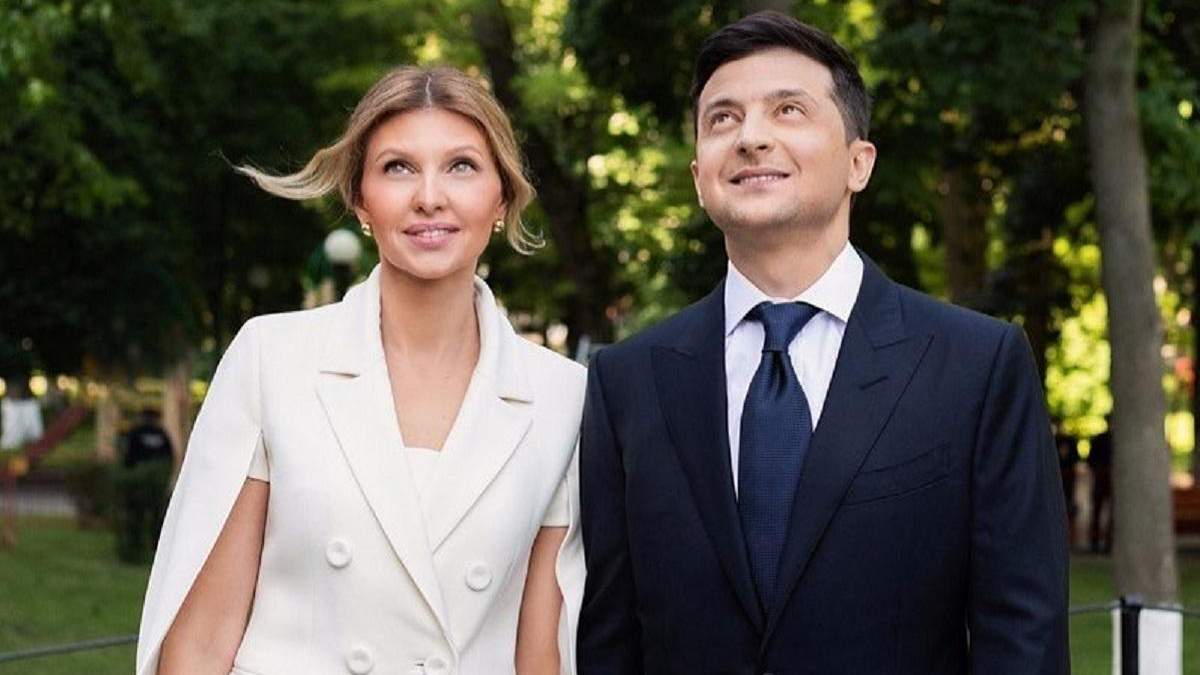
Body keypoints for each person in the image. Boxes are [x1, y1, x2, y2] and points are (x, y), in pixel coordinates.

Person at [577, 11, 1069, 674]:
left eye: (788, 110)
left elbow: (1024, 637)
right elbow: (610, 641)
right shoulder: (626, 382)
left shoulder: (976, 366)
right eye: (723, 118)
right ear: (698, 177)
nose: (751, 137)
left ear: (858, 163)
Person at [137, 65, 586, 675]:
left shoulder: (563, 395)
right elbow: (199, 643)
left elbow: (541, 657)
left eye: (461, 166)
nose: (430, 196)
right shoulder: (272, 360)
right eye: (398, 167)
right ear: (360, 200)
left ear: (501, 198)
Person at [116, 408, 175, 563]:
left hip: (138, 481)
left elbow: (128, 457)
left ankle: (136, 547)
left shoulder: (136, 433)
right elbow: (169, 457)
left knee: (136, 516)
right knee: (156, 517)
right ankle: (156, 547)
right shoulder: (161, 434)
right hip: (155, 482)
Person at [1088, 425, 1113, 554]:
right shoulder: (1102, 439)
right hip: (1101, 478)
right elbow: (1091, 460)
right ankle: (1096, 542)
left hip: (1107, 479)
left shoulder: (1106, 439)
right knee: (1097, 511)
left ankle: (1106, 543)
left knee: (1106, 513)